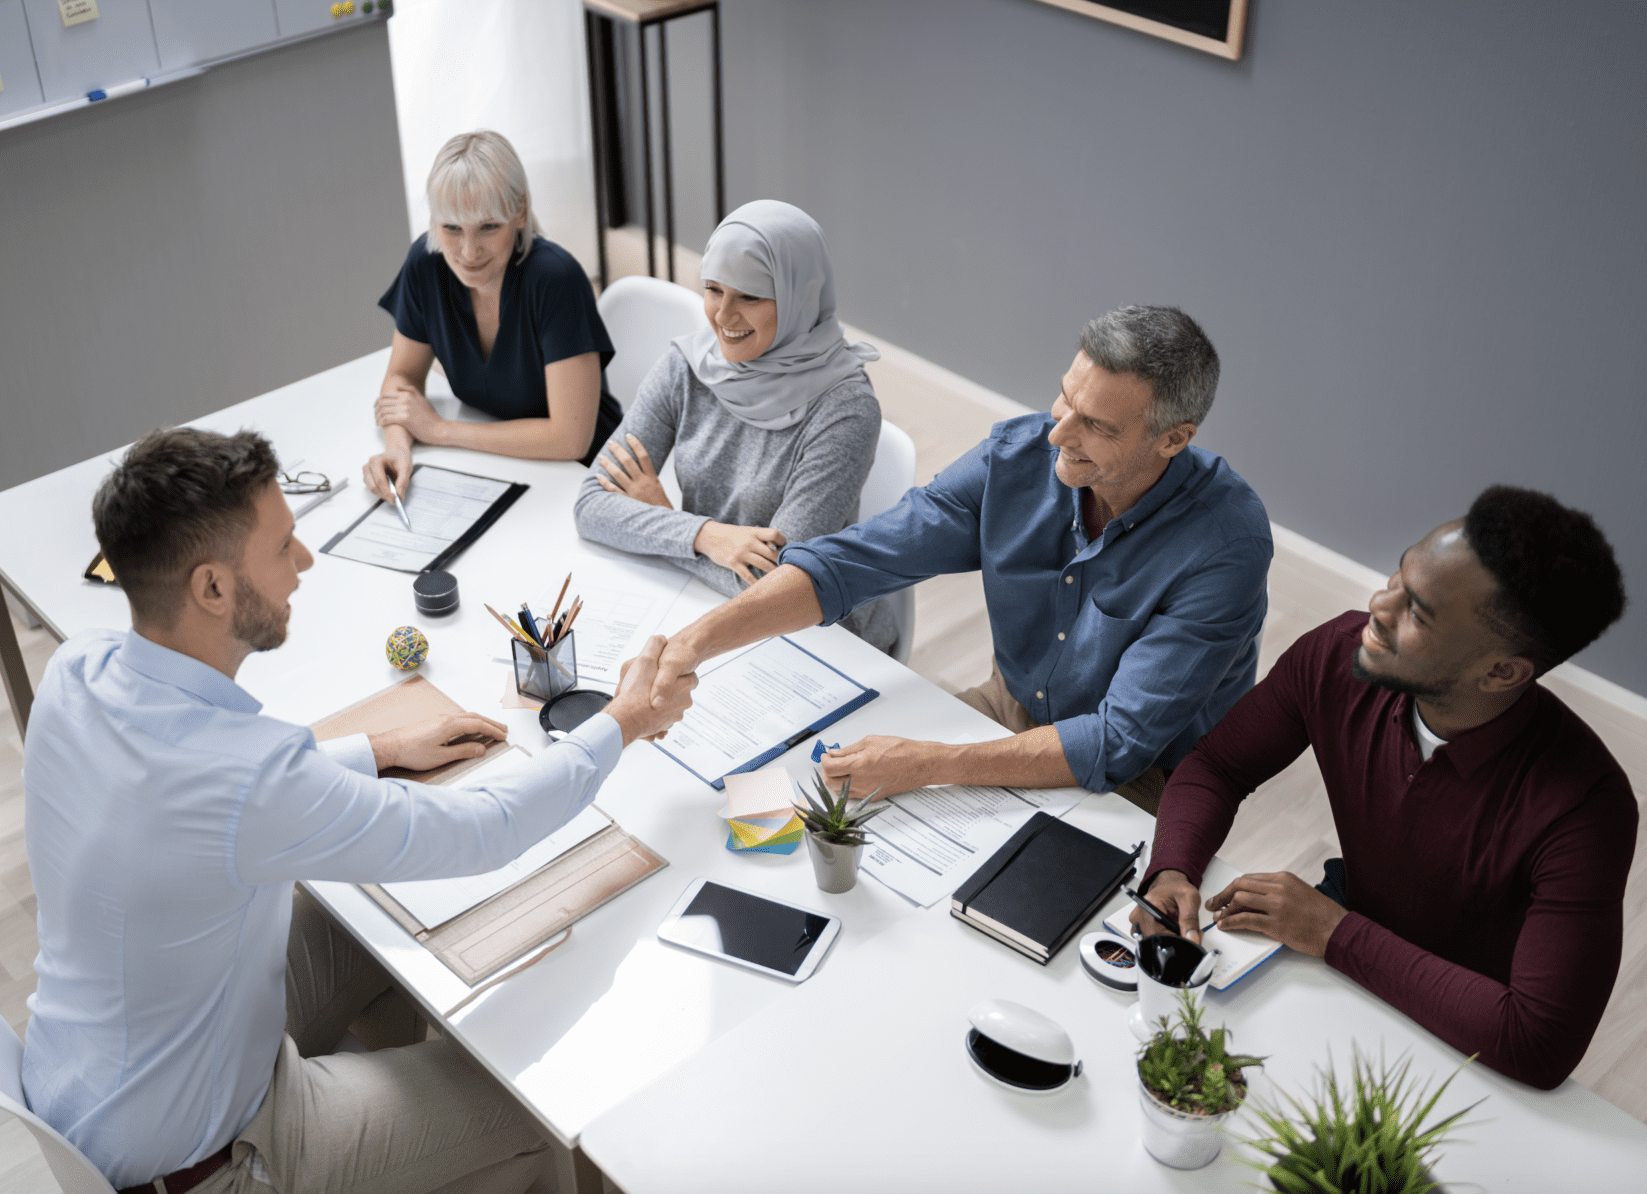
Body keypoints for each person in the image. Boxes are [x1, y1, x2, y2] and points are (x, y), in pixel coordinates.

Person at [22, 428, 694, 1192]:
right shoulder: (247, 781)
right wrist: (624, 721)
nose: (304, 565)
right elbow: (483, 831)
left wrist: (377, 748)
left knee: (359, 933)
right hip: (209, 1167)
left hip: (93, 1085)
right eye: (283, 548)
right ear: (212, 588)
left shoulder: (81, 669)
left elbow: (209, 792)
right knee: (534, 1106)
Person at [644, 305, 1273, 809]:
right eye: (1064, 400)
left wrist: (928, 763)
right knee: (832, 810)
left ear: (1174, 439)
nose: (1056, 434)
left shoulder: (1225, 549)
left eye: (1096, 426)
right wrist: (694, 642)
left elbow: (1116, 742)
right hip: (1016, 704)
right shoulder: (1020, 456)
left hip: (1147, 780)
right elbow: (852, 562)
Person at [1132, 485, 1633, 1090]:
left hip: (1465, 1024)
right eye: (1399, 574)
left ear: (1501, 671)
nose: (1378, 603)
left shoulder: (1585, 807)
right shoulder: (1339, 653)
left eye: (1417, 612)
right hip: (1343, 935)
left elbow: (1538, 1042)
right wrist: (1173, 870)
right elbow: (1217, 767)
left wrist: (1333, 932)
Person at [573, 200, 894, 651]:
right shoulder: (689, 364)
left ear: (800, 296)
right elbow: (590, 508)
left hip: (819, 640)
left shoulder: (846, 409)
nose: (722, 317)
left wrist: (663, 520)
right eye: (713, 289)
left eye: (749, 296)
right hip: (699, 603)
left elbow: (770, 591)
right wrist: (706, 536)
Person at [363, 130, 622, 501]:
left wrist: (439, 430)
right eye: (451, 227)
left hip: (585, 477)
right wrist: (397, 448)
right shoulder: (426, 264)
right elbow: (402, 379)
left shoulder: (555, 280)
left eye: (488, 227)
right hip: (497, 463)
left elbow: (571, 438)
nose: (468, 252)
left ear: (519, 211)